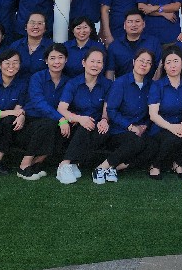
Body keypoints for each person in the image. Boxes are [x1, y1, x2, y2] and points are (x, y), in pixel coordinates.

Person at [92, 47, 155, 184]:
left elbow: (152, 111)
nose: (144, 64)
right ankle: (101, 168)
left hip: (140, 130)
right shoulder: (120, 83)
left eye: (148, 62)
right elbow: (111, 110)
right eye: (141, 60)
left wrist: (145, 125)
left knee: (152, 145)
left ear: (151, 66)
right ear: (134, 62)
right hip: (119, 130)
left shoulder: (151, 85)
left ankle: (114, 168)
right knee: (136, 141)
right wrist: (130, 127)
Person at [55, 47, 112, 185]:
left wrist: (104, 120)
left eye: (99, 62)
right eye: (92, 61)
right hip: (76, 124)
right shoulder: (73, 83)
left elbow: (107, 109)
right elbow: (61, 108)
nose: (95, 65)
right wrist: (79, 118)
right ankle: (64, 164)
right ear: (84, 63)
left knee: (102, 131)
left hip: (96, 124)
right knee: (84, 127)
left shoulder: (108, 84)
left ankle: (74, 163)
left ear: (103, 65)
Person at [16, 45, 69, 180]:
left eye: (60, 58)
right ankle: (24, 165)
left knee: (63, 128)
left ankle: (37, 163)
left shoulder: (68, 81)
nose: (56, 62)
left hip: (53, 121)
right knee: (49, 124)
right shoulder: (37, 77)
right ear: (46, 61)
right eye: (52, 58)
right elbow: (38, 103)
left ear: (66, 60)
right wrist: (60, 119)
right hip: (31, 121)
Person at [147, 46, 182, 181]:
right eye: (168, 62)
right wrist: (172, 127)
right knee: (173, 136)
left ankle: (178, 163)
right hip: (161, 127)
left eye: (176, 61)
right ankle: (155, 165)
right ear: (164, 66)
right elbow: (153, 114)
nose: (172, 66)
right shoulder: (157, 85)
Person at [107, 9, 161, 79]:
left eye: (137, 21)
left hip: (148, 84)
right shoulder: (114, 46)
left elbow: (159, 67)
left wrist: (155, 85)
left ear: (143, 24)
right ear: (124, 25)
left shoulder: (153, 42)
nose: (134, 25)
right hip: (123, 85)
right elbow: (110, 71)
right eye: (130, 22)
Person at [12, 12, 53, 79]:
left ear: (45, 28)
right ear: (26, 27)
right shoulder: (15, 46)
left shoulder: (52, 47)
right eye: (32, 23)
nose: (36, 26)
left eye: (40, 23)